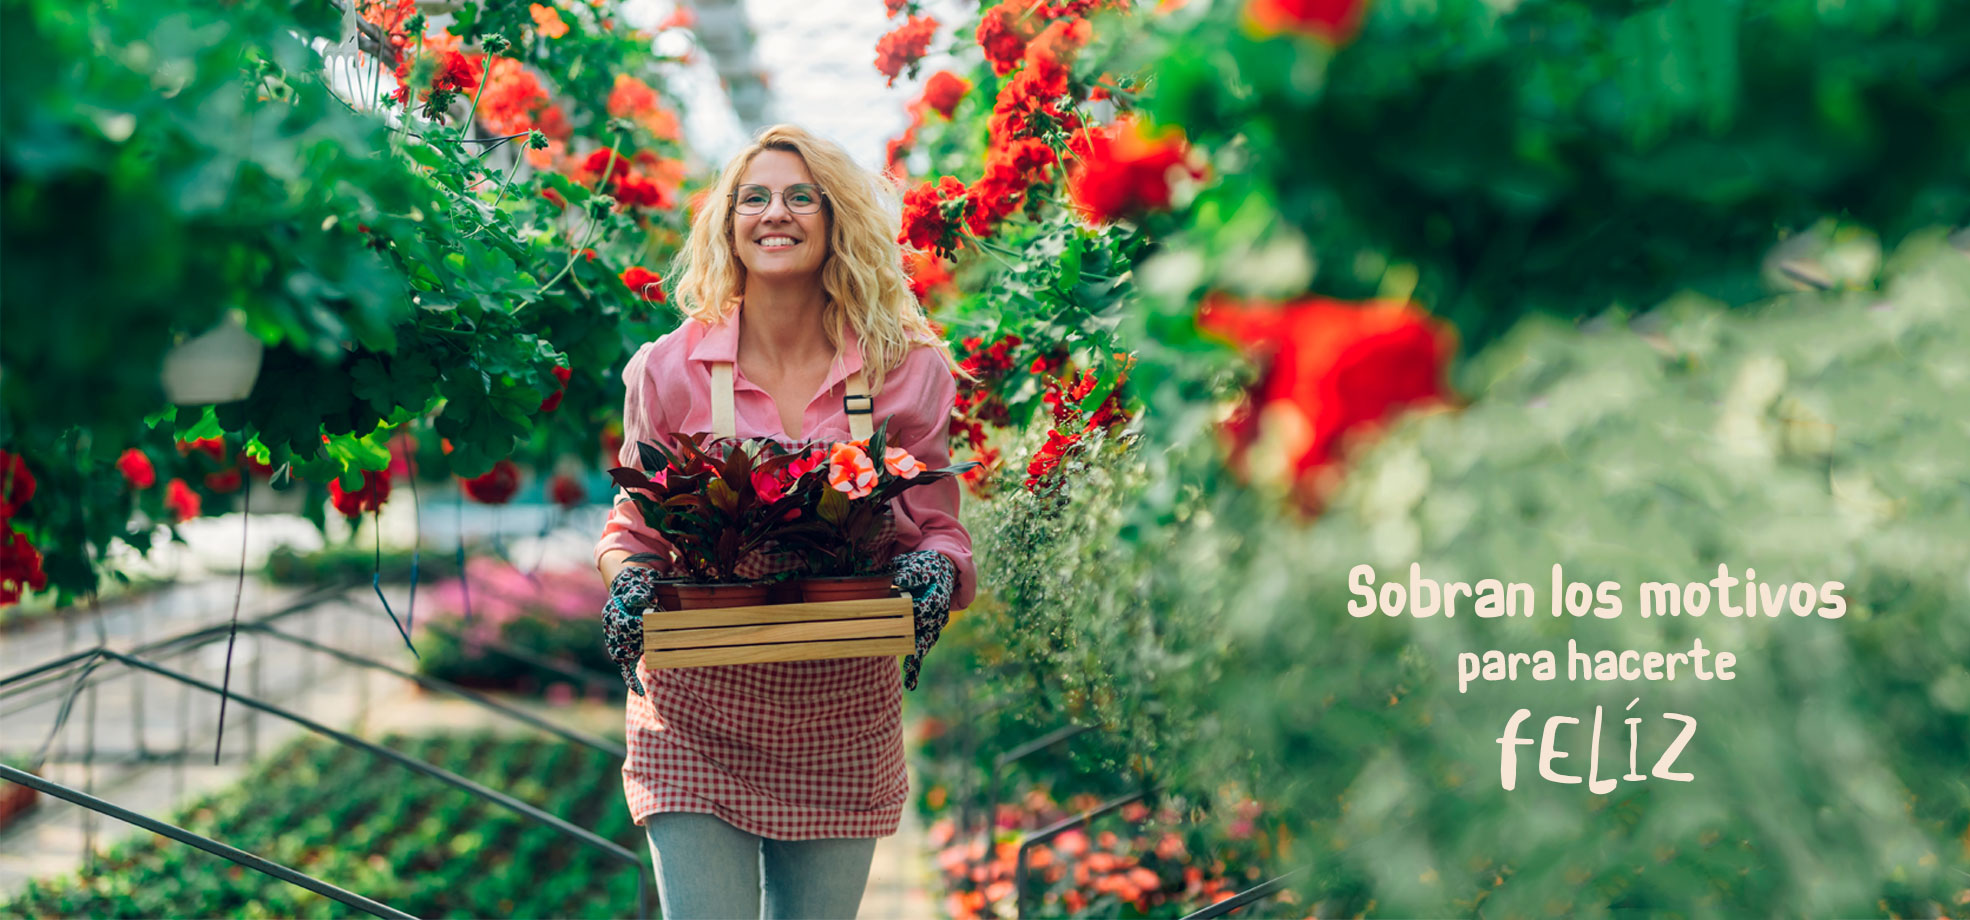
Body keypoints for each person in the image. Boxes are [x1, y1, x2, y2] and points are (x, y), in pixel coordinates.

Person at [592, 124, 975, 919]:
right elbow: (632, 531)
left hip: (843, 716)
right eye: (754, 197)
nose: (777, 213)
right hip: (694, 713)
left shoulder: (904, 368)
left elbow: (936, 528)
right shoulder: (667, 369)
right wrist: (629, 585)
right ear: (727, 224)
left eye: (802, 197)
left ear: (835, 220)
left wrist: (935, 573)